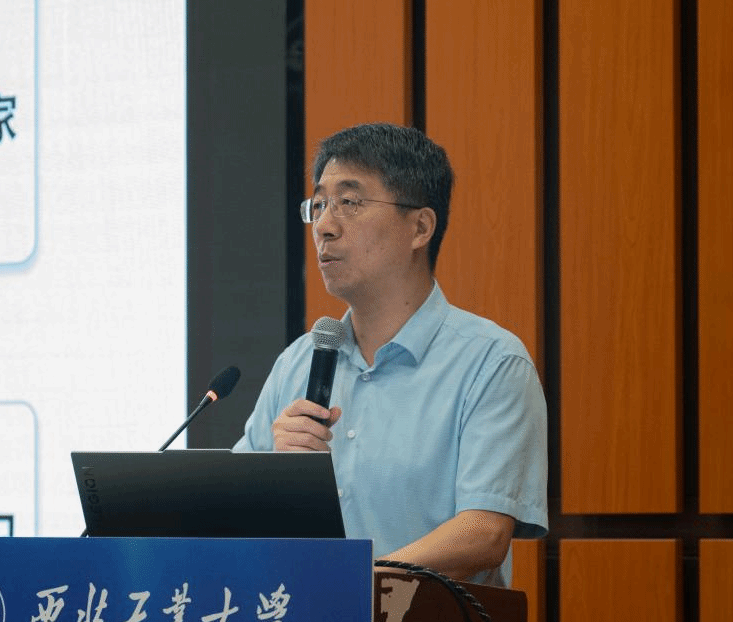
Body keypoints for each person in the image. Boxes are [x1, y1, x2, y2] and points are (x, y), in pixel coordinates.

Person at [233, 122, 547, 588]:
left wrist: (353, 585)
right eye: (318, 205)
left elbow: (483, 533)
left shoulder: (491, 363)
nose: (324, 226)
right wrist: (275, 478)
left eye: (350, 202)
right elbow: (234, 519)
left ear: (420, 228)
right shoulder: (297, 363)